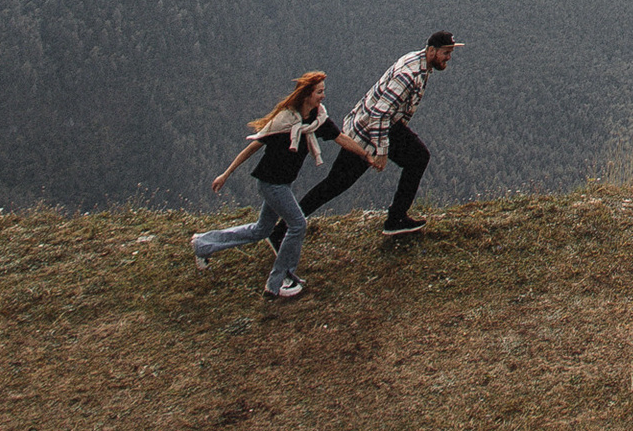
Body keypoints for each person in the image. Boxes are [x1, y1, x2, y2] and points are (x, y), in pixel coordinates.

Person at [192, 71, 369, 302]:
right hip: (271, 184)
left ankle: (203, 244)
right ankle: (280, 281)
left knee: (261, 230)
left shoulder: (316, 119)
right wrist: (226, 174)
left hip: (282, 183)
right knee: (297, 224)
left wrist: (366, 155)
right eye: (320, 92)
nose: (323, 96)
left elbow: (340, 138)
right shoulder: (285, 121)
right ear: (307, 94)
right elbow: (254, 146)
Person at [296, 31, 460, 239]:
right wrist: (381, 152)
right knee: (334, 185)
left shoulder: (419, 63)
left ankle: (396, 219)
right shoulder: (408, 76)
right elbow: (380, 113)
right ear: (431, 51)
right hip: (367, 133)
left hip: (386, 125)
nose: (448, 58)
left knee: (418, 157)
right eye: (446, 53)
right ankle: (283, 229)